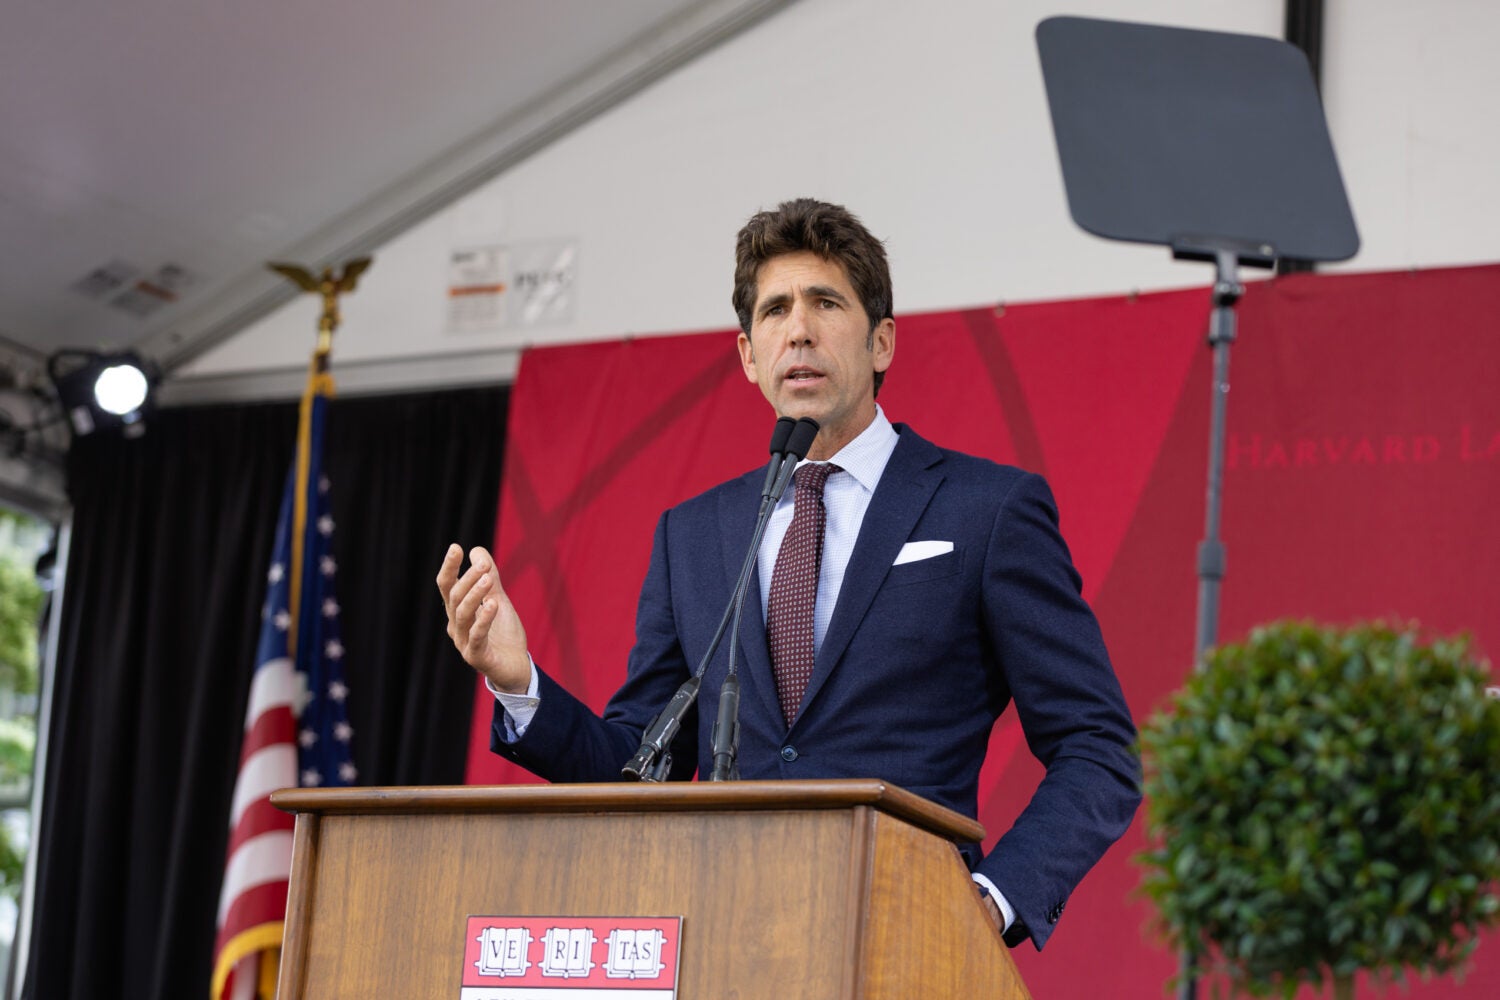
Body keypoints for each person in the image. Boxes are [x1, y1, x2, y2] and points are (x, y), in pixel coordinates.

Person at [437, 198, 1140, 950]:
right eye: (775, 310)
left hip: (906, 938)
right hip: (719, 937)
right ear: (748, 355)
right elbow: (644, 767)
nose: (798, 329)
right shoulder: (693, 535)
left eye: (825, 302)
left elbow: (1098, 747)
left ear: (882, 342)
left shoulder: (986, 510)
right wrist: (519, 683)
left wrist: (988, 903)